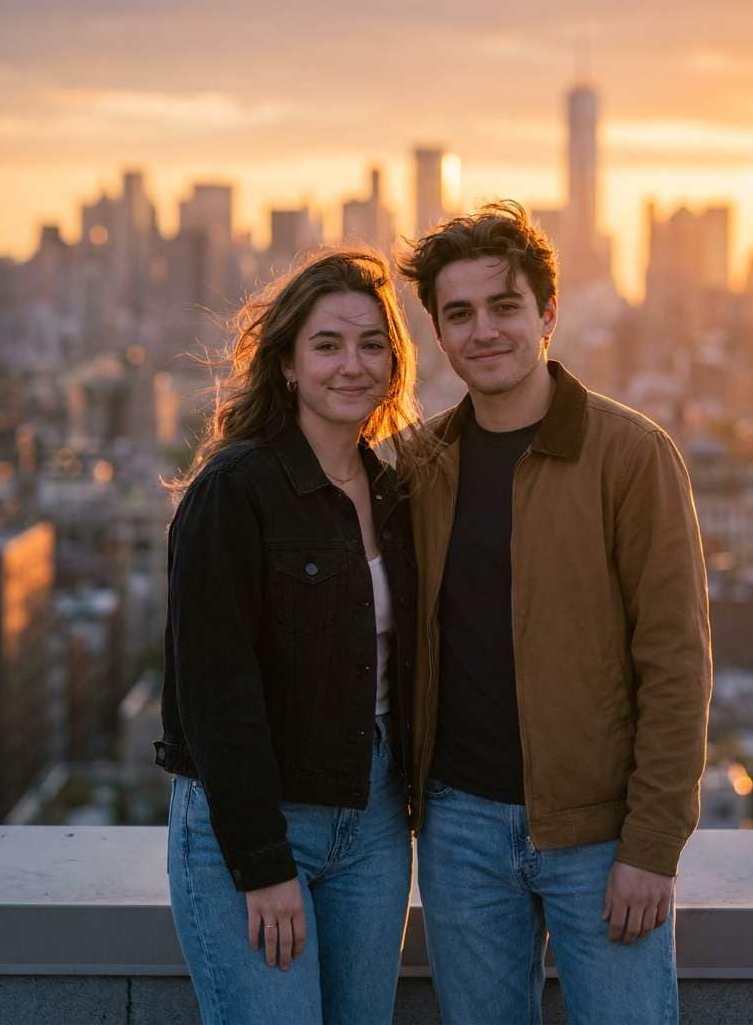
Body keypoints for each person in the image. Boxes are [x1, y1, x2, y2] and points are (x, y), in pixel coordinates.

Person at [397, 202, 712, 1025]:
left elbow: (677, 663)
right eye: (458, 314)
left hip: (600, 833)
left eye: (505, 307)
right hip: (459, 831)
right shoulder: (422, 465)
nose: (484, 331)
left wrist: (651, 847)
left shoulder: (631, 455)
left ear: (548, 314)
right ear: (438, 333)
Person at [155, 247, 422, 1025]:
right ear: (288, 365)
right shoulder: (234, 491)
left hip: (374, 823)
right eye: (328, 345)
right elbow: (214, 691)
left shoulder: (394, 492)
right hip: (255, 819)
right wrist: (263, 863)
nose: (352, 365)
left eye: (373, 344)